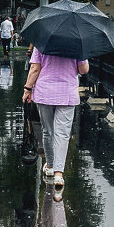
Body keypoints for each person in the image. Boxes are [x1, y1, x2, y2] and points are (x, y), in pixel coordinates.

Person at [22, 48, 89, 193]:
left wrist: (27, 89)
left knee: (47, 131)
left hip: (45, 93)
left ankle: (51, 166)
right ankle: (59, 173)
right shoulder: (77, 45)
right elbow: (83, 70)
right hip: (67, 94)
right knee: (62, 134)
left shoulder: (42, 44)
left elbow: (35, 68)